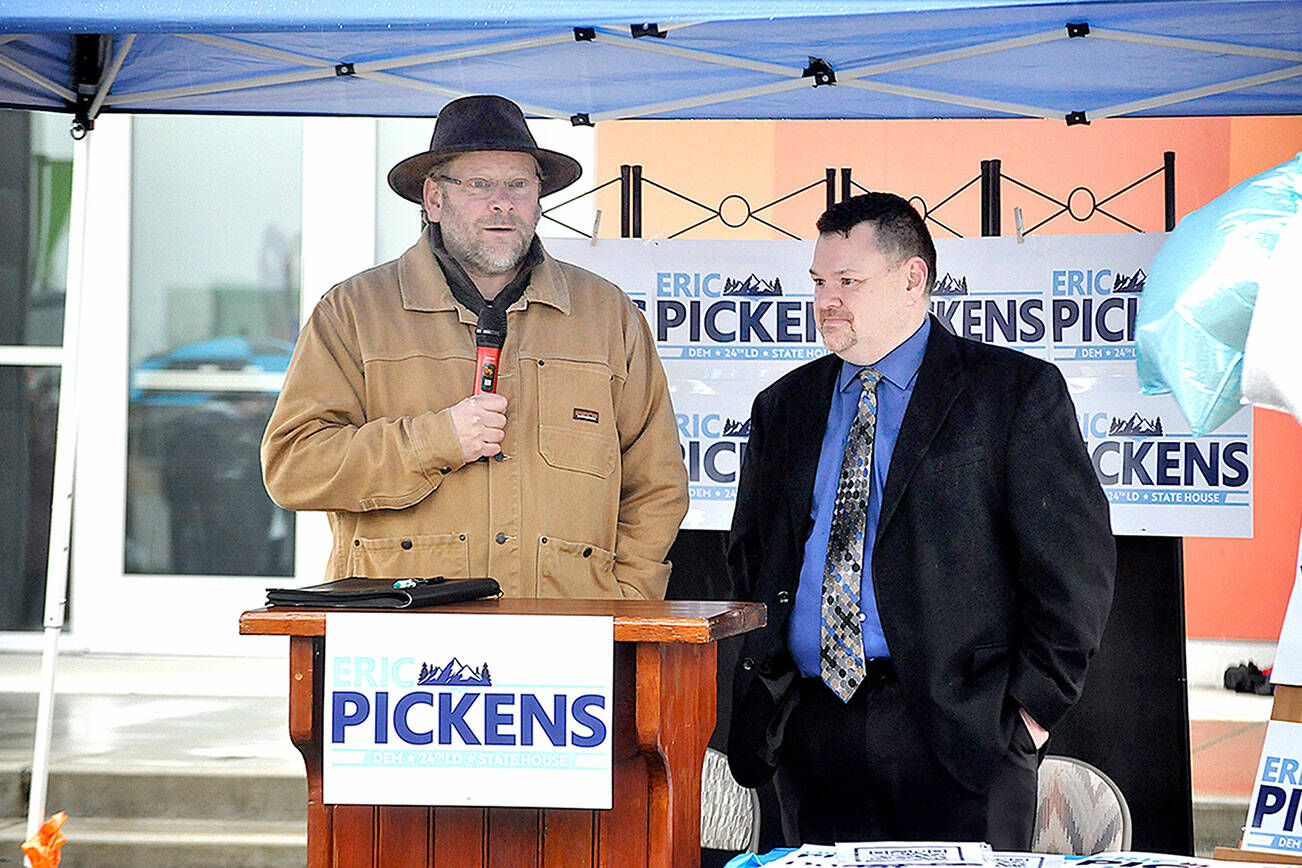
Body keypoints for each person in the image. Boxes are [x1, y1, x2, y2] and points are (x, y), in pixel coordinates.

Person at [726, 193, 1115, 848]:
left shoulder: (1012, 394)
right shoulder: (783, 406)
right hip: (816, 728)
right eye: (820, 282)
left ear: (913, 279)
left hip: (961, 733)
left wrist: (1027, 718)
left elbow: (1072, 571)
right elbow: (753, 556)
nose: (827, 299)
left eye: (849, 281)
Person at [262, 94, 688, 599]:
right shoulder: (354, 312)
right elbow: (293, 466)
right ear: (434, 200)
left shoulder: (607, 314)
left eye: (519, 185)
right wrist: (434, 440)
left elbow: (657, 483)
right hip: (400, 639)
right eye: (480, 185)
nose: (502, 202)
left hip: (571, 642)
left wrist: (627, 599)